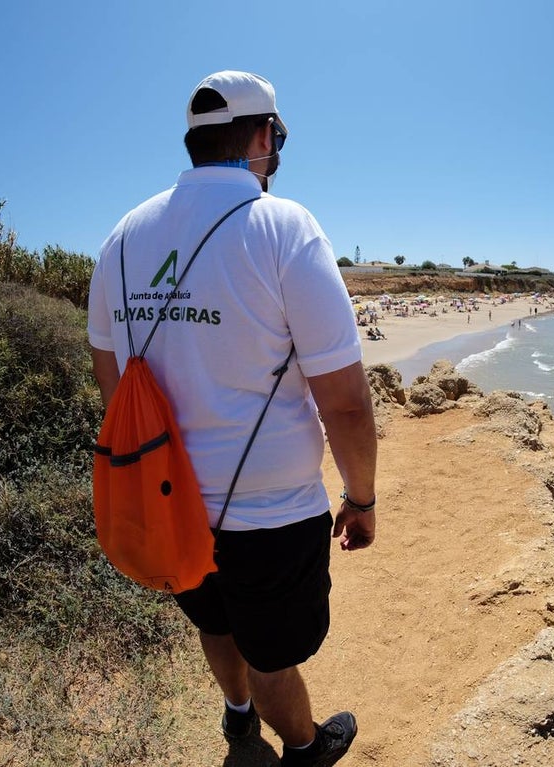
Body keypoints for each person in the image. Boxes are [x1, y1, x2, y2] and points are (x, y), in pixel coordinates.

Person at [87, 70, 377, 767]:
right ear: (261, 137)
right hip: (270, 517)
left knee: (215, 622)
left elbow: (111, 378)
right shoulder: (283, 226)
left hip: (166, 503)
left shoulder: (122, 238)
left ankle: (239, 720)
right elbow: (342, 397)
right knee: (274, 655)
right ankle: (304, 746)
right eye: (278, 140)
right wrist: (361, 497)